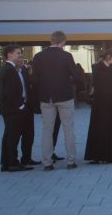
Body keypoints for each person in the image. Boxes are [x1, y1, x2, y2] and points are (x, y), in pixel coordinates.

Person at [32, 30, 84, 171]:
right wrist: (68, 80)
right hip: (64, 96)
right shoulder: (66, 56)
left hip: (46, 97)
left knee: (47, 130)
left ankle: (47, 163)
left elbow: (34, 80)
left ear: (51, 40)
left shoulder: (38, 56)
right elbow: (77, 76)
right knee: (68, 129)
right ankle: (71, 161)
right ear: (63, 42)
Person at [85, 49, 112, 164]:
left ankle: (107, 155)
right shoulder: (99, 68)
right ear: (109, 57)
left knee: (109, 128)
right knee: (100, 128)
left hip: (110, 102)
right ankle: (99, 155)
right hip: (100, 102)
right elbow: (96, 85)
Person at [0, 45, 34, 172]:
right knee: (13, 137)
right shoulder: (8, 70)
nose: (20, 55)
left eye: (21, 53)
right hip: (14, 109)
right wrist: (20, 105)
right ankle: (12, 163)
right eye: (18, 53)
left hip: (14, 109)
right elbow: (7, 92)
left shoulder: (14, 69)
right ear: (9, 55)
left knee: (9, 136)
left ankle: (6, 163)